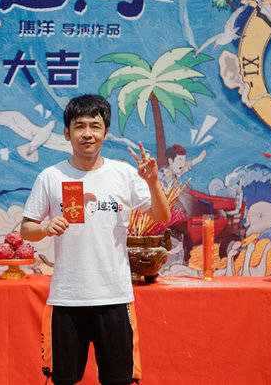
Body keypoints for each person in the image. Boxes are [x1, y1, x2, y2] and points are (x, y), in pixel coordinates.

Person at [20, 94, 171, 385]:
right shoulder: (51, 177)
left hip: (114, 297)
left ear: (105, 133)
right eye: (79, 126)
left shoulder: (123, 174)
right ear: (67, 133)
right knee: (63, 379)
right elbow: (27, 228)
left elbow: (162, 217)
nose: (87, 133)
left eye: (95, 126)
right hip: (67, 298)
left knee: (118, 380)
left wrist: (152, 182)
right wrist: (47, 228)